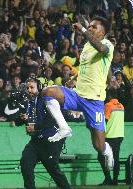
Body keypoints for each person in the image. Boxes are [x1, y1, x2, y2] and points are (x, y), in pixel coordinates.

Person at [41, 16, 115, 169]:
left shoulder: (107, 44)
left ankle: (107, 150)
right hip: (77, 94)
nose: (90, 29)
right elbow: (86, 67)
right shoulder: (88, 46)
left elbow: (101, 49)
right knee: (47, 92)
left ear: (103, 32)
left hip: (94, 101)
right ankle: (64, 128)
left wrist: (81, 28)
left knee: (98, 145)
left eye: (94, 27)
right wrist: (74, 77)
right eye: (90, 26)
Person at [15, 78, 71, 189]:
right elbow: (17, 122)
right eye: (27, 88)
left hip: (51, 140)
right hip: (35, 141)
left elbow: (51, 120)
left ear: (39, 88)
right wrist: (21, 119)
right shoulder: (27, 102)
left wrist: (34, 127)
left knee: (53, 170)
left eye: (32, 87)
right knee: (25, 163)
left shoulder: (47, 100)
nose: (29, 90)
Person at [98, 89, 125, 185]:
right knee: (116, 158)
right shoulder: (121, 106)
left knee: (101, 157)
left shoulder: (108, 105)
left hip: (109, 136)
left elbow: (104, 121)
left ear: (108, 95)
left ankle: (108, 179)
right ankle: (115, 180)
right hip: (119, 135)